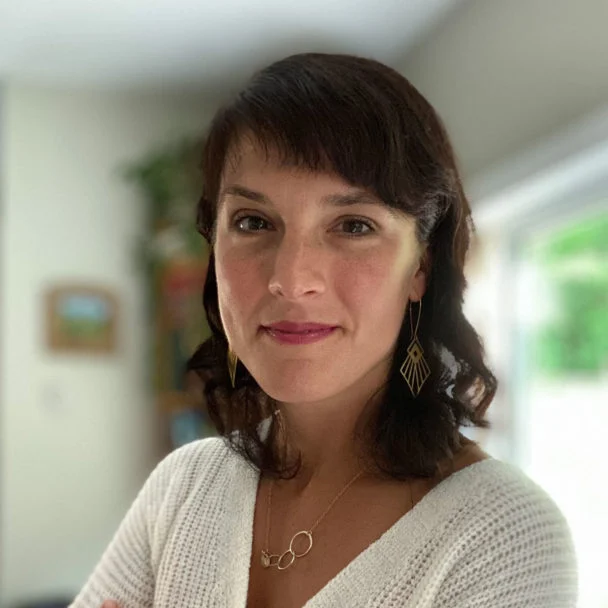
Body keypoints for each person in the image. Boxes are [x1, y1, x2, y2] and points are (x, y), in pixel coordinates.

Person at [70, 53, 577, 607]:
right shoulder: (182, 488)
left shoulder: (503, 535)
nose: (290, 280)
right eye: (253, 222)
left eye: (353, 226)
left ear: (421, 269)